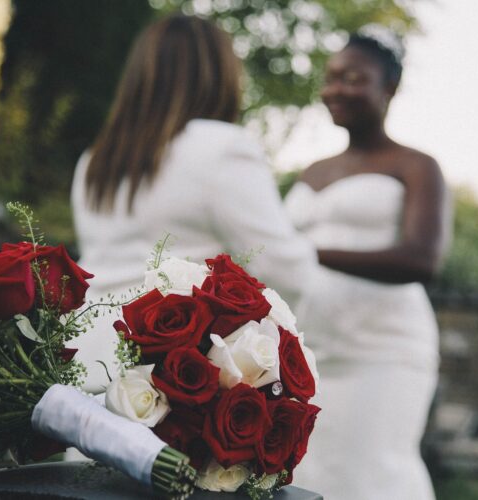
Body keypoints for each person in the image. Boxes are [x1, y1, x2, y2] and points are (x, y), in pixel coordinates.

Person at [68, 14, 317, 394]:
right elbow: (286, 270)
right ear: (218, 75)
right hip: (168, 377)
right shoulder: (223, 148)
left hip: (84, 363)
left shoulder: (95, 159)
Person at [283, 27, 450, 499]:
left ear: (389, 88)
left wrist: (305, 253)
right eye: (331, 77)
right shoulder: (310, 171)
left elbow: (422, 258)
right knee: (306, 476)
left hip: (382, 350)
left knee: (370, 473)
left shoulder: (416, 166)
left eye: (354, 78)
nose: (336, 89)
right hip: (307, 351)